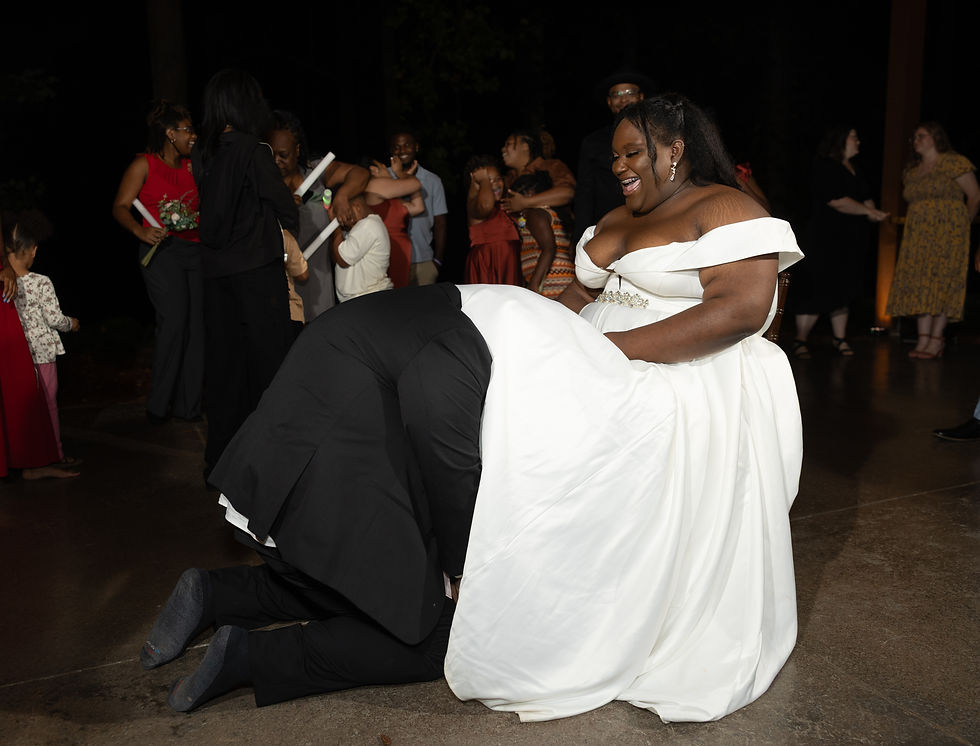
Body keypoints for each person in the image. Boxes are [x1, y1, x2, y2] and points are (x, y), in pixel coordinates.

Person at [142, 93, 803, 723]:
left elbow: (743, 308)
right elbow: (573, 300)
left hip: (653, 372)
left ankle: (236, 599)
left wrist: (605, 353)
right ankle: (418, 588)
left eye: (634, 153)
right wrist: (543, 343)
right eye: (617, 155)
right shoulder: (617, 224)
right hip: (576, 364)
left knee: (449, 567)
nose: (620, 165)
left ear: (677, 149)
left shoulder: (723, 208)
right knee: (434, 581)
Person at [191, 69, 298, 480]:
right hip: (256, 274)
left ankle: (219, 462)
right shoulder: (254, 151)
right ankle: (268, 464)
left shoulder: (204, 152)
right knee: (267, 366)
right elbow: (285, 210)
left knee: (223, 368)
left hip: (215, 275)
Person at [111, 100, 204, 424]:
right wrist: (140, 229)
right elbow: (121, 206)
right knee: (175, 321)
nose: (193, 135)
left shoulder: (194, 165)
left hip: (196, 250)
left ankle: (188, 406)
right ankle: (157, 405)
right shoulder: (145, 164)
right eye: (187, 130)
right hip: (161, 252)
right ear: (169, 133)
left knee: (197, 328)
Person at [789, 127, 888, 358]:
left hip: (851, 240)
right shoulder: (826, 166)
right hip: (826, 239)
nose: (858, 141)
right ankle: (800, 339)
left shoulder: (855, 169)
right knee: (818, 288)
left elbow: (865, 198)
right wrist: (868, 211)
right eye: (854, 137)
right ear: (840, 141)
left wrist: (875, 213)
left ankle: (839, 338)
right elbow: (836, 200)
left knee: (843, 288)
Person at [886, 122, 980, 359]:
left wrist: (962, 226)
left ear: (936, 138)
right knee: (920, 283)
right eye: (914, 137)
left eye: (921, 136)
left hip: (949, 235)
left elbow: (975, 196)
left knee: (942, 282)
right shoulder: (912, 171)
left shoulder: (954, 162)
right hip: (918, 237)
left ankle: (937, 341)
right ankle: (923, 339)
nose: (915, 140)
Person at [268, 110, 370, 320]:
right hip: (281, 285)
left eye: (283, 155)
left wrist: (342, 197)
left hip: (319, 284)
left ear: (297, 150)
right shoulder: (264, 182)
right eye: (272, 154)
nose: (277, 160)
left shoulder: (316, 172)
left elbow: (360, 174)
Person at [0, 213, 79, 480]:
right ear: (32, 250)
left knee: (27, 408)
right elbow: (54, 318)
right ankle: (55, 452)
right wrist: (72, 324)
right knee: (48, 404)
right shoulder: (41, 282)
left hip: (18, 355)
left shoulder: (5, 283)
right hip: (43, 353)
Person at [573, 67, 655, 245]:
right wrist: (580, 237)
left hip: (654, 223)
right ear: (609, 102)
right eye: (617, 94)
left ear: (641, 97)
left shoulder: (658, 133)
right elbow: (585, 193)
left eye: (629, 92)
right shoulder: (593, 142)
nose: (623, 99)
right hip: (609, 230)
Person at [390, 131, 448, 285]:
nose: (402, 150)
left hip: (424, 261)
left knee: (426, 308)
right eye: (397, 147)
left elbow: (440, 223)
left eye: (407, 145)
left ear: (416, 147)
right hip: (392, 259)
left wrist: (437, 261)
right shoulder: (384, 178)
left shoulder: (433, 180)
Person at [510, 170, 575, 298]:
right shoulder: (553, 213)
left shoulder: (535, 214)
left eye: (513, 196)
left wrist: (534, 284)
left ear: (529, 194)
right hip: (564, 280)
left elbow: (549, 248)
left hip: (549, 284)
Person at [364, 156, 425, 289]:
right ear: (374, 170)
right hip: (388, 246)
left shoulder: (389, 196)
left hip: (399, 249)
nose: (389, 170)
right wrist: (400, 174)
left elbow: (418, 207)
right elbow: (416, 184)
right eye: (385, 167)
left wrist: (404, 178)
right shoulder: (374, 184)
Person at [462, 155, 522, 286]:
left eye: (497, 179)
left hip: (510, 266)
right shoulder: (474, 205)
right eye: (488, 181)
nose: (494, 184)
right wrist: (483, 179)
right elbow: (485, 205)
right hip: (487, 263)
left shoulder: (506, 206)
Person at [329, 194, 394, 302]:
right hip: (363, 298)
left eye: (345, 213)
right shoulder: (364, 226)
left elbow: (342, 259)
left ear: (357, 207)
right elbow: (335, 256)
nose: (343, 219)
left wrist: (334, 225)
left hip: (366, 298)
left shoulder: (367, 225)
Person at [500, 129, 576, 216]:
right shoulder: (507, 179)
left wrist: (525, 202)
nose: (503, 149)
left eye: (508, 144)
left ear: (525, 146)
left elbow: (567, 193)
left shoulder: (550, 166)